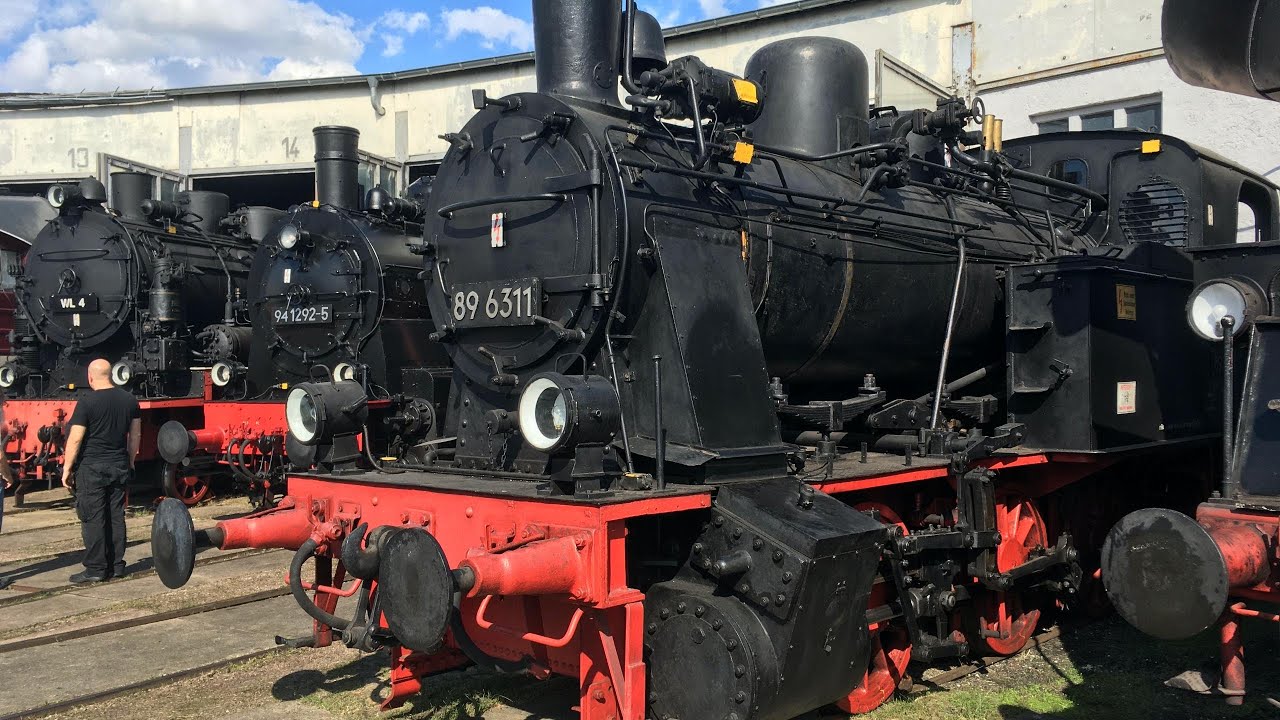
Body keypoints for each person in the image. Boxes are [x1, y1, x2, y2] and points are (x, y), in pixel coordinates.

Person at [61, 359, 140, 584]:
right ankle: (116, 566)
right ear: (111, 375)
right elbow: (135, 436)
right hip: (118, 464)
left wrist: (67, 468)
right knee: (116, 515)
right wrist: (131, 461)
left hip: (92, 467)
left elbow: (75, 438)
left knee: (93, 517)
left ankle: (95, 568)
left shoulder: (86, 402)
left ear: (90, 377)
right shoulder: (129, 400)